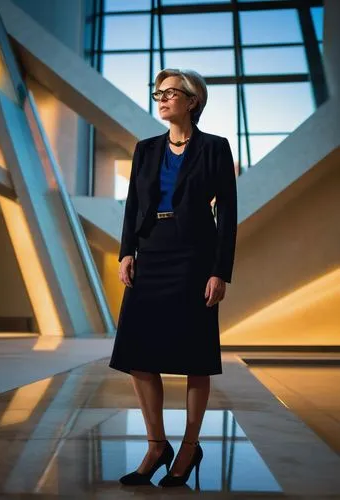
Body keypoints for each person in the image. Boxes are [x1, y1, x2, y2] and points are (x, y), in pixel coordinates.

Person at [109, 68, 237, 488]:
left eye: (169, 93)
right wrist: (127, 250)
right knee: (137, 352)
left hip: (195, 258)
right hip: (153, 251)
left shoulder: (216, 148)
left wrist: (221, 271)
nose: (161, 99)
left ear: (192, 100)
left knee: (196, 354)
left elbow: (228, 216)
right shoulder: (145, 149)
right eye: (157, 93)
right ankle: (156, 444)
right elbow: (132, 205)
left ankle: (188, 447)